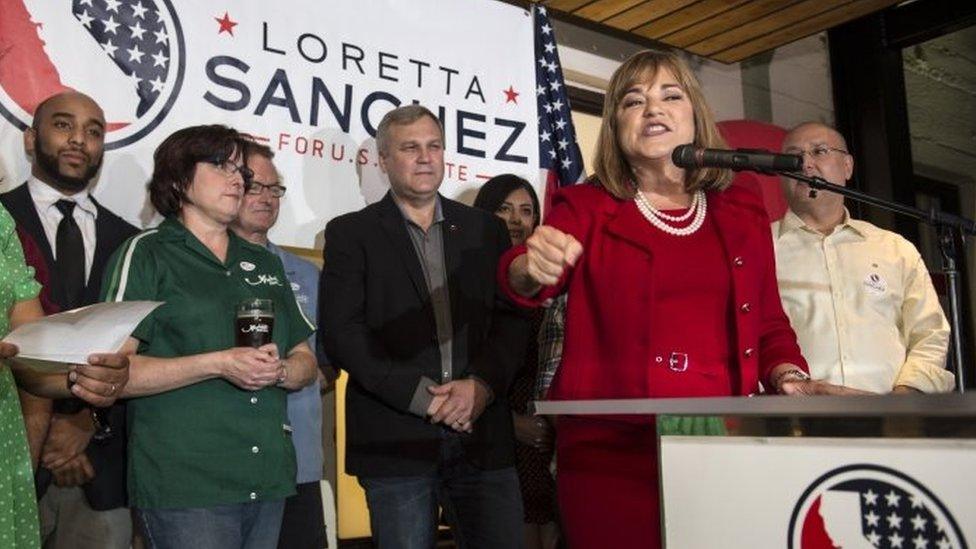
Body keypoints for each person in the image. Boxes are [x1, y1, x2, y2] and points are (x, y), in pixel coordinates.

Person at [499, 50, 862, 548]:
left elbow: (770, 321)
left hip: (719, 443)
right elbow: (527, 279)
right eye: (634, 101)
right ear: (617, 127)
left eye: (670, 96)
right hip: (612, 455)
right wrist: (528, 265)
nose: (654, 109)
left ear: (695, 115)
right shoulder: (584, 206)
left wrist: (788, 376)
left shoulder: (741, 207)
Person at [321, 105, 528, 549]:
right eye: (410, 147)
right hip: (395, 441)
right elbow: (344, 335)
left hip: (483, 436)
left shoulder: (484, 230)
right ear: (383, 160)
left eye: (433, 146)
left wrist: (482, 386)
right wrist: (425, 400)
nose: (425, 157)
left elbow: (512, 320)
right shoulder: (349, 234)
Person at [102, 124, 318, 549]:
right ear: (180, 178)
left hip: (267, 476)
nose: (239, 179)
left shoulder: (263, 262)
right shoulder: (147, 252)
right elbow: (112, 372)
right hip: (188, 484)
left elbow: (304, 361)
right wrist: (217, 364)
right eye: (222, 166)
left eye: (242, 171)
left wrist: (279, 371)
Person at [0, 90, 138, 549]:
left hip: (100, 463)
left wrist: (81, 423)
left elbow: (138, 344)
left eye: (94, 131)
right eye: (63, 125)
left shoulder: (133, 241)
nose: (79, 139)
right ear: (29, 138)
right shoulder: (2, 220)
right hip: (12, 455)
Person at [773, 121, 954, 393]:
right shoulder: (760, 248)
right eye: (794, 156)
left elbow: (930, 334)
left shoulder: (894, 248)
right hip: (795, 421)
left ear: (847, 166)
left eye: (819, 152)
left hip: (893, 420)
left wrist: (904, 399)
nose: (805, 165)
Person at [229, 142, 333, 549]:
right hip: (224, 469)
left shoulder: (305, 274)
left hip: (298, 466)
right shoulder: (197, 267)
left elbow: (329, 356)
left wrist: (297, 373)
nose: (267, 198)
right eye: (256, 187)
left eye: (276, 190)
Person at [472, 175, 559, 549]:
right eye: (504, 209)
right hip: (495, 445)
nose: (516, 220)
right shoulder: (469, 283)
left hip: (551, 443)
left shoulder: (553, 287)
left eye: (526, 211)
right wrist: (512, 425)